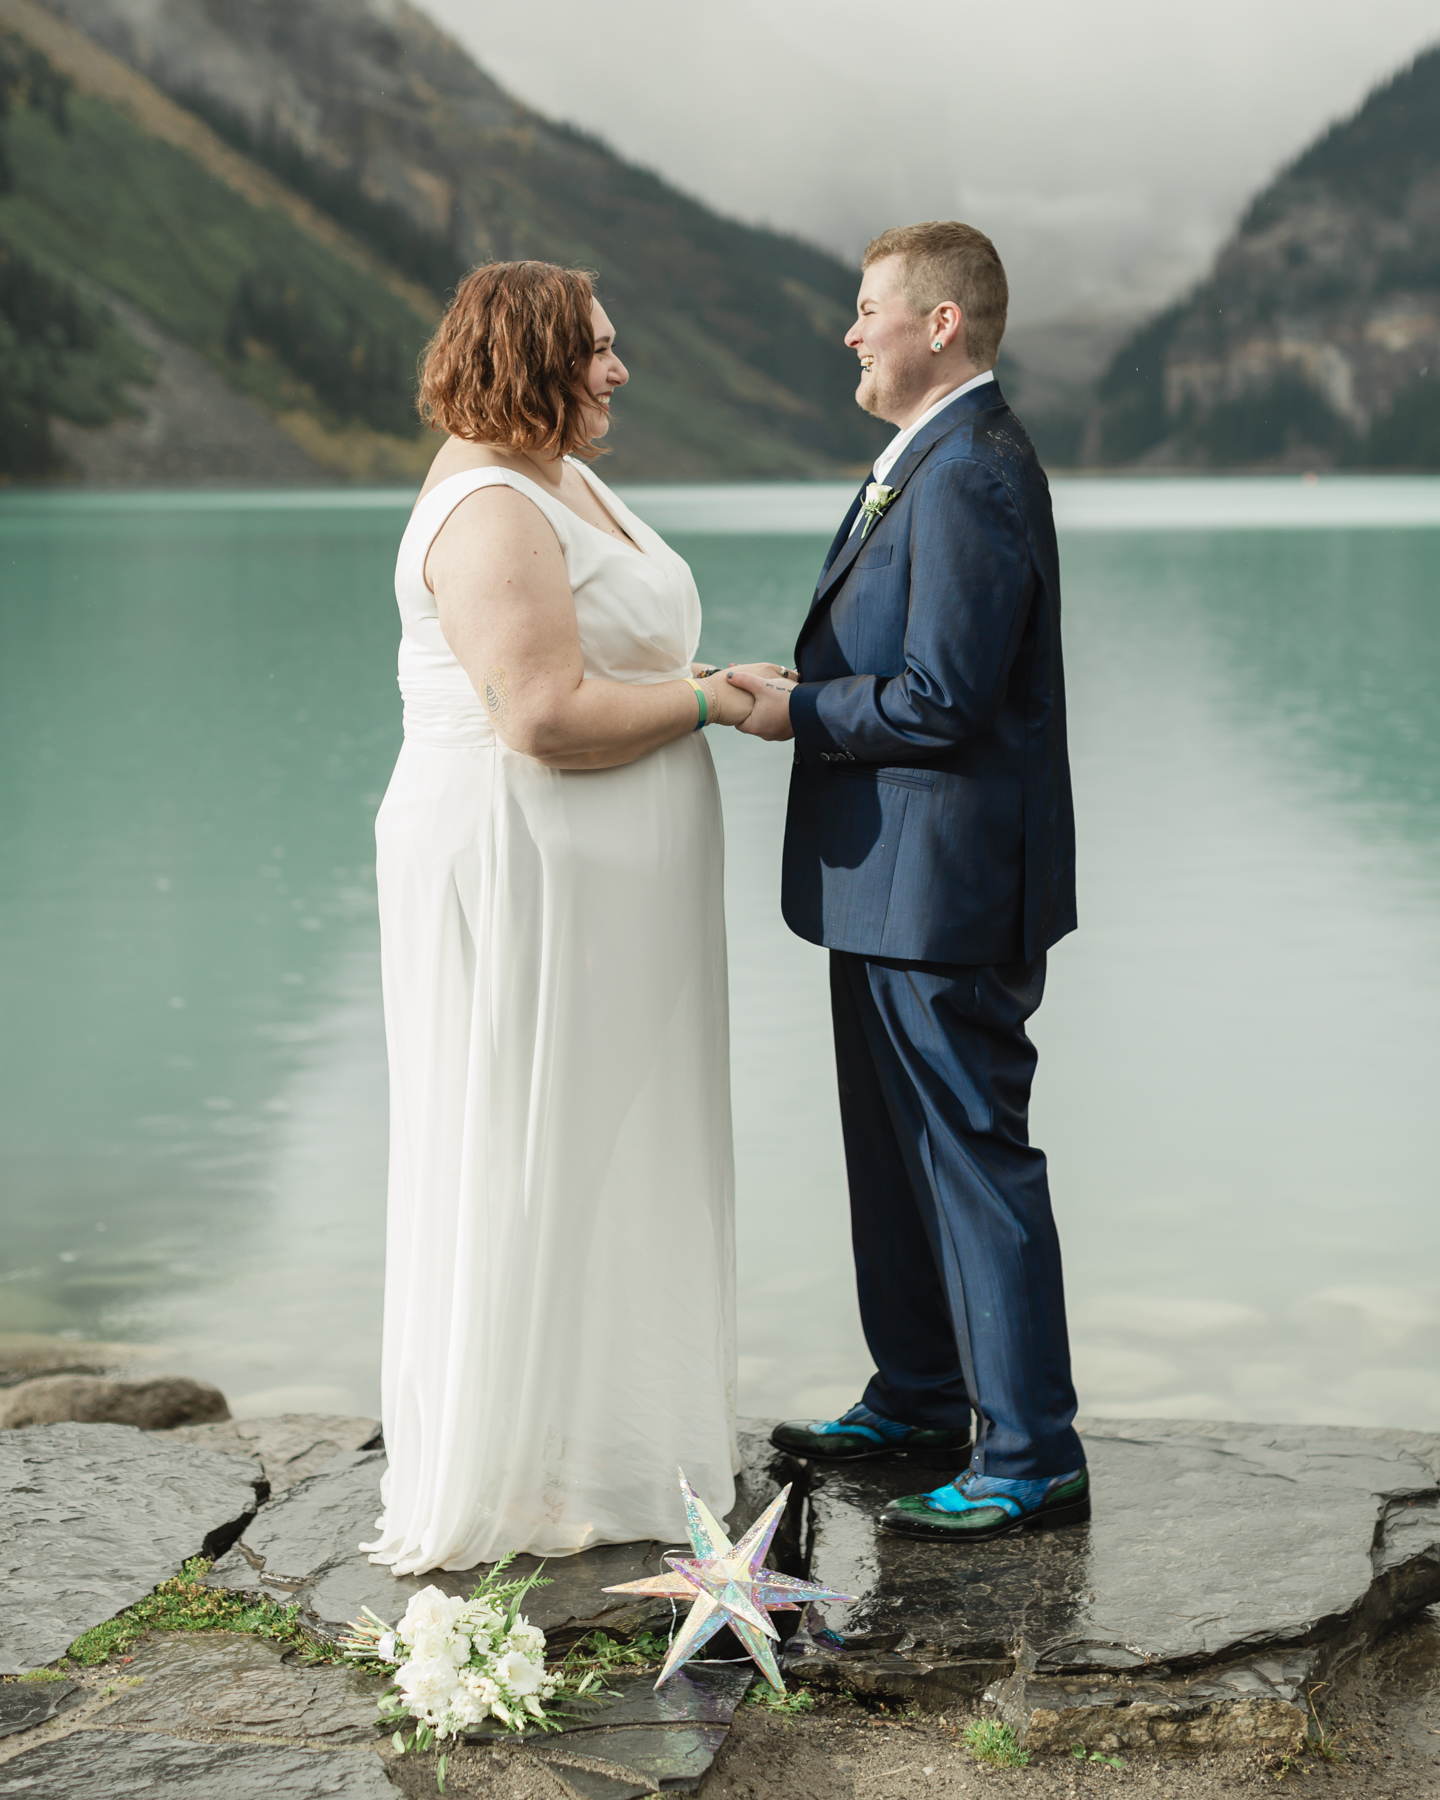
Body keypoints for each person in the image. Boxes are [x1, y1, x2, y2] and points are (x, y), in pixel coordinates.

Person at [364, 261, 765, 1574]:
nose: (620, 367)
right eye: (597, 346)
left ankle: (603, 1436)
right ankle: (517, 1463)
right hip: (520, 865)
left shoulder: (557, 478)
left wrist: (702, 680)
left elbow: (609, 660)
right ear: (530, 355)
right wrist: (709, 702)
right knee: (523, 1140)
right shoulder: (487, 505)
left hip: (607, 889)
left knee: (603, 1143)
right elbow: (538, 718)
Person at [727, 221, 1088, 1543]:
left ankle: (1033, 1453)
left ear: (941, 324)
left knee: (972, 1160)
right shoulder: (927, 462)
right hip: (890, 886)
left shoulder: (971, 472)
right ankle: (926, 1393)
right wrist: (812, 694)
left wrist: (803, 712)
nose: (849, 329)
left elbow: (945, 698)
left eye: (867, 307)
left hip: (945, 896)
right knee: (891, 1159)